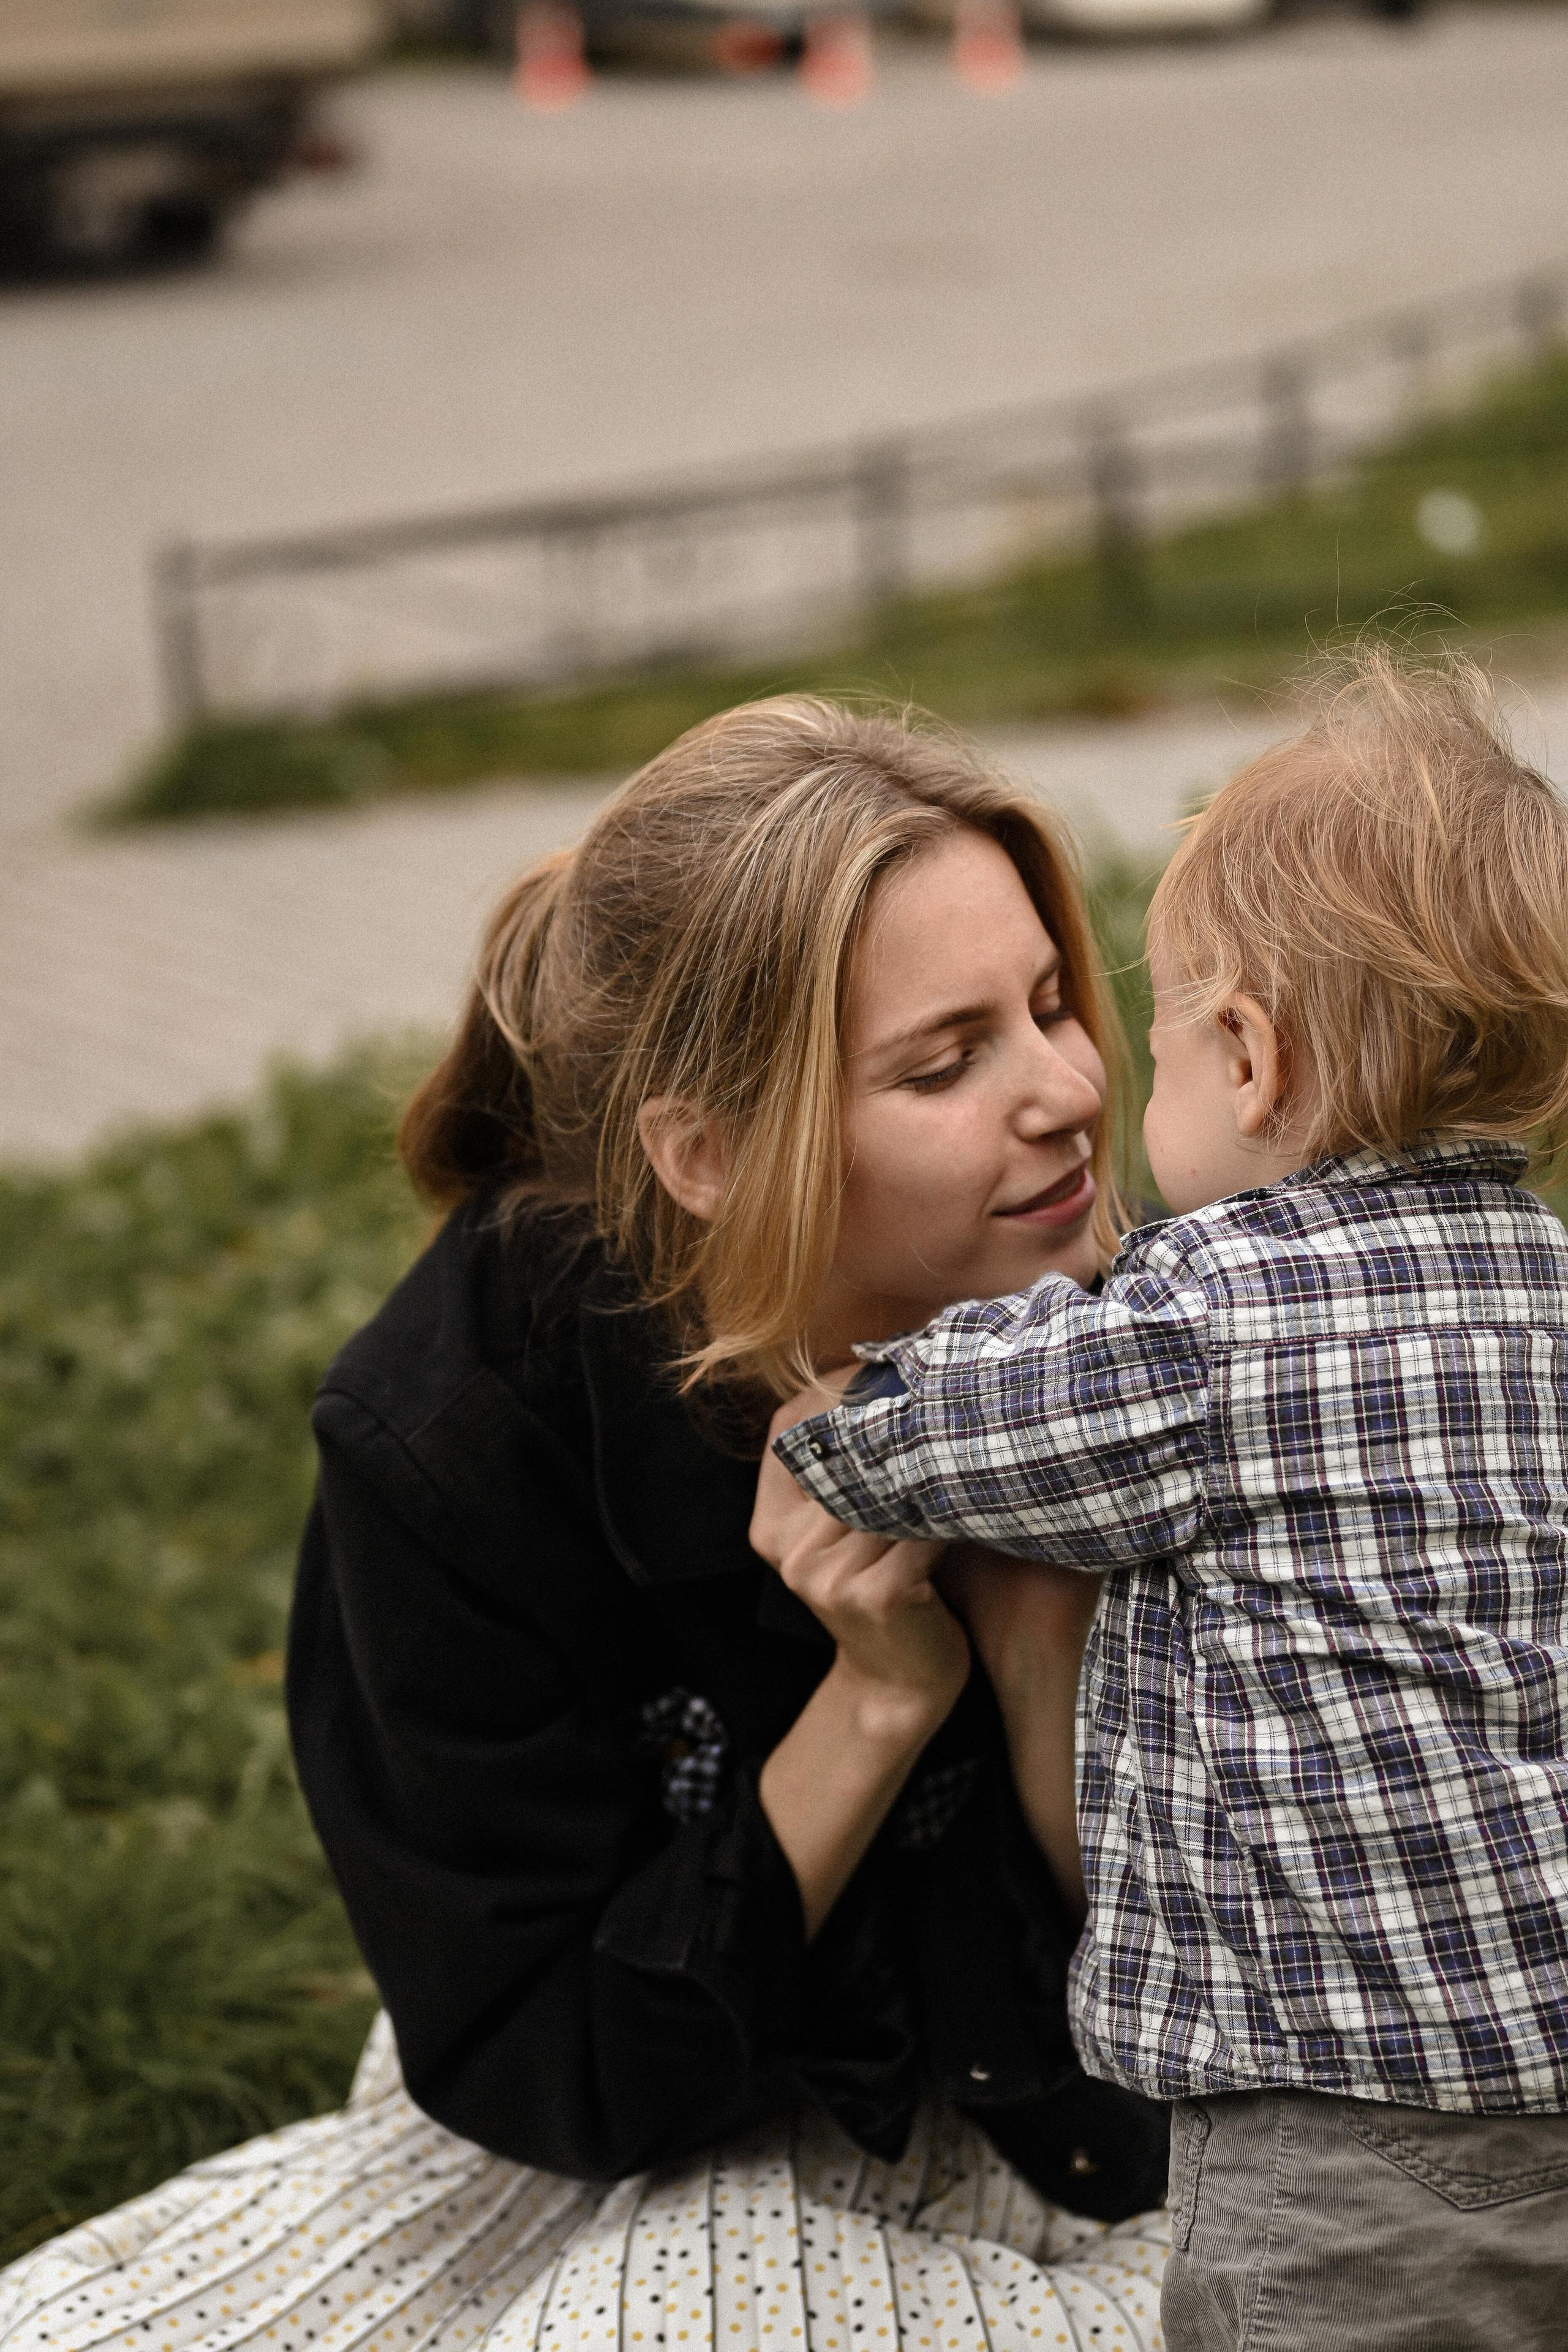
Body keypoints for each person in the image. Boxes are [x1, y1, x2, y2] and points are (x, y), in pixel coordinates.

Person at [0, 699, 1170, 2352]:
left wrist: (1040, 1647)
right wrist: (879, 1699)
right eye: (945, 1059)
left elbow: (1230, 1995)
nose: (1068, 1092)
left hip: (1059, 2123)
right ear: (703, 1152)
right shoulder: (461, 1438)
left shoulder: (1160, 1319)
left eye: (1053, 1004)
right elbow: (546, 2047)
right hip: (622, 2098)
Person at [758, 654, 1568, 2352]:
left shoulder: (1207, 1323)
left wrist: (834, 1419)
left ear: (1254, 1056)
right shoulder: (1548, 1288)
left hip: (1338, 2124)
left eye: (1161, 1025)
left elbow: (966, 1425)